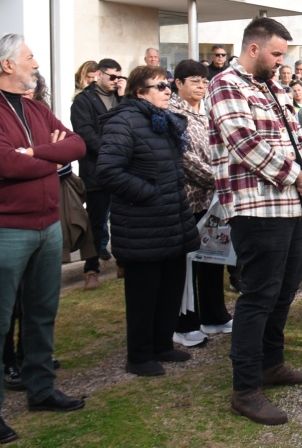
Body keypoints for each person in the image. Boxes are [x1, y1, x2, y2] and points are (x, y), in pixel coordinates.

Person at [208, 17, 302, 425]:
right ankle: (245, 388)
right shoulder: (225, 84)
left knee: (284, 290)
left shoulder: (273, 86)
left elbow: (300, 137)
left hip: (293, 207)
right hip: (256, 208)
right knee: (259, 294)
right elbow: (244, 143)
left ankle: (271, 362)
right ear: (253, 49)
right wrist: (298, 176)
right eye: (277, 54)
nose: (282, 62)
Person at [0, 35, 87, 443]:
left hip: (48, 227)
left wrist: (30, 154)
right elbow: (3, 164)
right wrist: (49, 158)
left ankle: (41, 389)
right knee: (1, 321)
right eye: (29, 58)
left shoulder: (37, 107)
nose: (35, 64)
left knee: (41, 313)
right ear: (6, 65)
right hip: (8, 230)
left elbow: (77, 144)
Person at [97, 64, 200, 375]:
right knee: (144, 294)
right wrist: (150, 193)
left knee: (170, 288)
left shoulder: (163, 121)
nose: (167, 90)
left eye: (168, 85)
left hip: (171, 220)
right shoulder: (124, 121)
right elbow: (108, 171)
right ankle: (139, 356)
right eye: (160, 86)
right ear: (140, 92)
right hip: (144, 223)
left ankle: (161, 344)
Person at [169, 60, 232, 348]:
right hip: (188, 197)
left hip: (214, 201)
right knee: (187, 263)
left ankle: (214, 315)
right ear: (178, 83)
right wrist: (218, 179)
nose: (200, 86)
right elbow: (183, 158)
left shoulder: (208, 112)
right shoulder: (172, 114)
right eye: (193, 81)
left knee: (213, 257)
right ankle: (185, 322)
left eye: (204, 81)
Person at [71, 57, 124, 287]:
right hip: (97, 171)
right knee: (96, 221)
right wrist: (114, 150)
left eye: (119, 77)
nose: (115, 81)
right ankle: (90, 269)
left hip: (123, 170)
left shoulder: (122, 99)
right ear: (99, 74)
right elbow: (85, 134)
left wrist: (124, 96)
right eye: (112, 77)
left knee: (123, 219)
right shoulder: (83, 101)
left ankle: (123, 262)